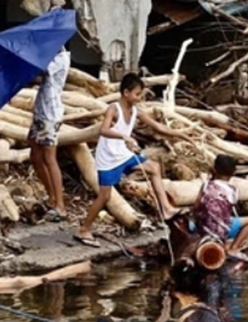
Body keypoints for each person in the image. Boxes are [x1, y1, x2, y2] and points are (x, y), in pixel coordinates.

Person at [76, 72, 181, 247]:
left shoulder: (135, 112)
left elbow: (157, 126)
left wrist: (181, 134)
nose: (139, 98)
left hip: (123, 154)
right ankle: (84, 230)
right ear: (126, 93)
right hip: (108, 157)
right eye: (137, 94)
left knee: (154, 167)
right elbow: (103, 130)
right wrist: (124, 138)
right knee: (104, 196)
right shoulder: (113, 109)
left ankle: (166, 208)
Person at [28, 46, 70, 222]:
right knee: (35, 155)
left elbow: (42, 70)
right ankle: (51, 196)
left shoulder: (61, 58)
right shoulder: (52, 54)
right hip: (41, 111)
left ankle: (60, 206)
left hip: (50, 115)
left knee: (49, 157)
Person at [193, 153, 248, 259]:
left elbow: (196, 206)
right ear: (233, 173)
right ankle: (233, 248)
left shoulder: (206, 185)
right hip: (222, 231)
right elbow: (226, 211)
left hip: (203, 229)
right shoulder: (233, 190)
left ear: (214, 169)